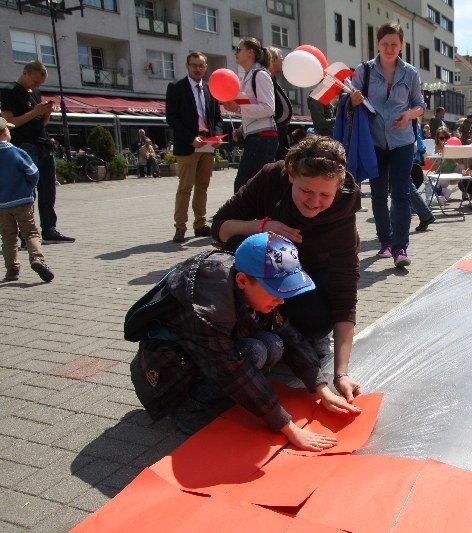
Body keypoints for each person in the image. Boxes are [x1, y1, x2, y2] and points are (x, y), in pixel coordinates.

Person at [127, 231, 360, 447]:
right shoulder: (208, 307)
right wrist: (287, 426)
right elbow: (232, 371)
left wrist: (320, 387)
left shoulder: (248, 283)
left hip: (202, 359)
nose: (282, 300)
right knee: (255, 351)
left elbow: (287, 333)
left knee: (273, 344)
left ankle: (218, 400)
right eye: (276, 291)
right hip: (169, 381)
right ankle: (189, 411)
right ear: (242, 281)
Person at [210, 136, 363, 404]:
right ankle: (251, 326)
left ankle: (295, 337)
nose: (315, 202)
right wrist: (261, 227)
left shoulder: (343, 212)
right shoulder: (270, 178)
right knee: (236, 245)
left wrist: (341, 372)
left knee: (318, 314)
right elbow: (220, 227)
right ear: (291, 174)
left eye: (326, 194)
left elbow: (345, 290)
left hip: (306, 282)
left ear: (338, 188)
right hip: (266, 278)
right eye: (306, 191)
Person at [349, 22, 426, 268]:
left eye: (394, 44)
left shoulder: (411, 73)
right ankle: (385, 241)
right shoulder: (365, 70)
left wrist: (410, 115)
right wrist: (353, 99)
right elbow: (350, 100)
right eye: (385, 44)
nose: (389, 49)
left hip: (402, 141)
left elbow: (420, 105)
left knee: (401, 193)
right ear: (378, 45)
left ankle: (400, 248)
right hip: (373, 141)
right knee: (379, 194)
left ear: (401, 45)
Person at [1, 60, 75, 243]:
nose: (36, 86)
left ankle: (49, 230)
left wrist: (46, 114)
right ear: (25, 73)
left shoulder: (34, 93)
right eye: (35, 81)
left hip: (43, 145)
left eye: (39, 84)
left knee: (48, 191)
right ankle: (27, 234)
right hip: (25, 146)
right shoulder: (10, 91)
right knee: (28, 193)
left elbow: (40, 124)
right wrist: (35, 111)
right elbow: (9, 122)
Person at [165, 52, 223, 243]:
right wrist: (190, 138)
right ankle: (180, 227)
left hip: (208, 145)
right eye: (194, 65)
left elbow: (217, 118)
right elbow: (172, 118)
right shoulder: (176, 88)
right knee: (185, 188)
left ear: (206, 67)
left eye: (201, 66)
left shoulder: (210, 89)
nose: (198, 69)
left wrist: (216, 135)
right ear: (187, 66)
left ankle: (200, 224)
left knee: (203, 187)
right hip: (188, 145)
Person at [0, 117, 54, 283]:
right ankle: (37, 259)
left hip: (1, 206)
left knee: (8, 237)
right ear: (4, 132)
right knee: (30, 232)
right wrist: (29, 187)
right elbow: (33, 172)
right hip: (22, 200)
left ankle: (12, 269)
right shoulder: (16, 152)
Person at [224, 37, 279, 193]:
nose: (235, 53)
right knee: (253, 186)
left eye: (238, 49)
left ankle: (257, 216)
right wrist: (242, 129)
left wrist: (239, 109)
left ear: (250, 52)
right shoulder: (249, 76)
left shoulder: (259, 74)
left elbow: (268, 108)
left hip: (263, 137)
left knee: (245, 186)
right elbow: (255, 108)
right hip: (257, 136)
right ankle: (260, 215)